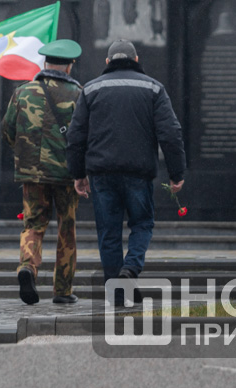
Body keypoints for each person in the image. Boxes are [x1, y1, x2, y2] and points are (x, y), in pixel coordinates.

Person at [66, 39, 186, 299]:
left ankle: (118, 294)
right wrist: (176, 173)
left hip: (102, 174)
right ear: (136, 60)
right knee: (142, 224)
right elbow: (171, 133)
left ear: (108, 62)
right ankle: (130, 268)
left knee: (108, 232)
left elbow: (75, 136)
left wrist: (78, 174)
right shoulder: (153, 88)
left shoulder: (91, 89)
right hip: (138, 173)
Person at [2, 38, 84, 306]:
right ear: (69, 67)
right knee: (66, 229)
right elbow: (86, 136)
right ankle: (62, 290)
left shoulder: (23, 92)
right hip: (67, 176)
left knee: (33, 224)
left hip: (32, 174)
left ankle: (27, 267)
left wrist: (26, 155)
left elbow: (7, 131)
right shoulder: (79, 95)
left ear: (45, 64)